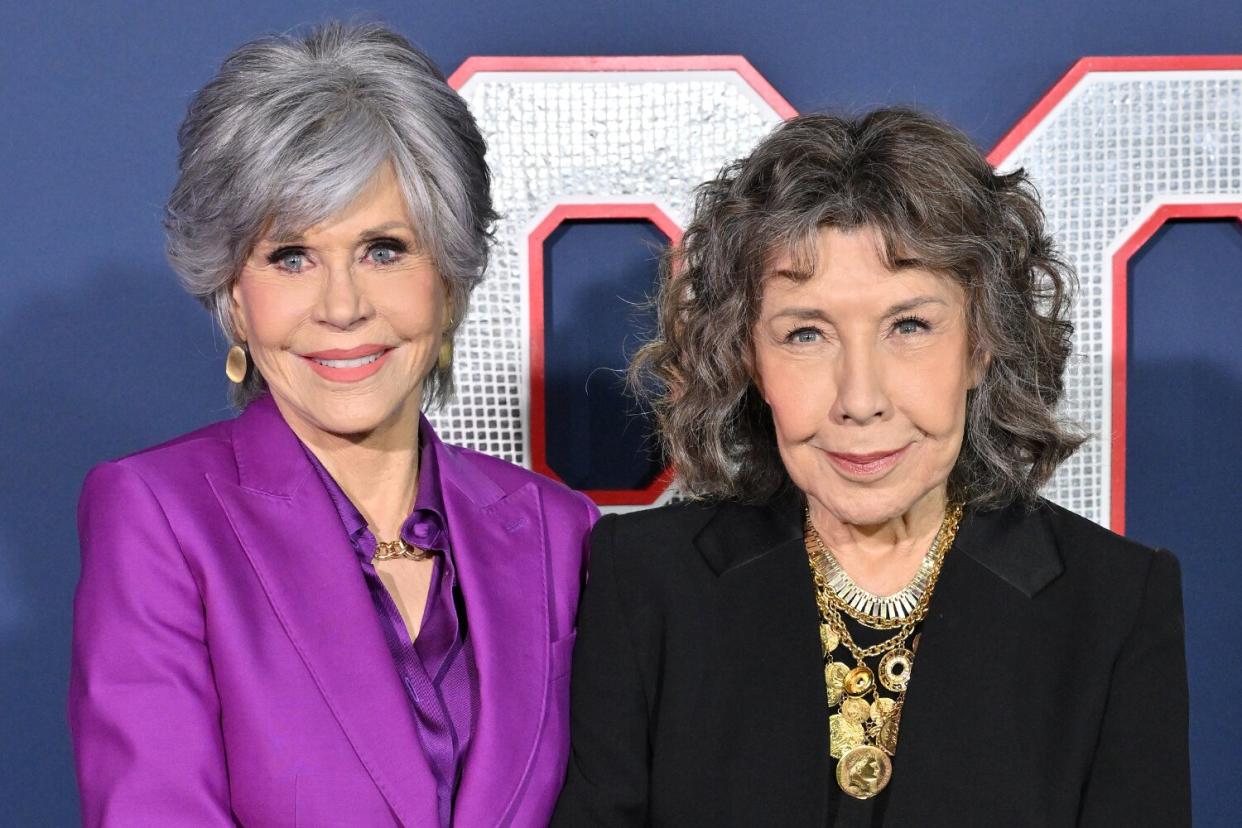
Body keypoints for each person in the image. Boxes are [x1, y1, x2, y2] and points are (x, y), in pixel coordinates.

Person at [553, 109, 1189, 826]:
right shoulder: (644, 583)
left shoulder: (1113, 605)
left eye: (909, 327)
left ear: (983, 343)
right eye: (805, 334)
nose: (861, 400)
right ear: (748, 360)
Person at [69, 23, 597, 827]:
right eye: (291, 256)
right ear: (233, 295)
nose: (343, 306)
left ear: (448, 283)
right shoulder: (160, 517)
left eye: (384, 250)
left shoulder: (560, 529)